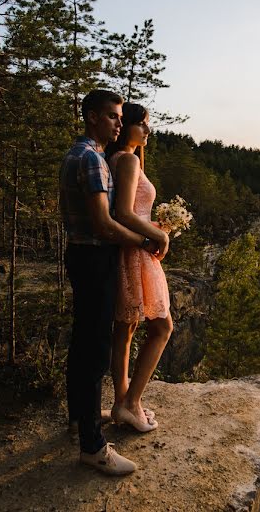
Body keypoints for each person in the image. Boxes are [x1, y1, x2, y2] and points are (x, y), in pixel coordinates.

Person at [59, 89, 169, 475]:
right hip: (93, 257)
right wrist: (148, 239)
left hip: (84, 255)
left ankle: (79, 420)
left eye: (122, 117)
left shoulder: (85, 155)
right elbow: (107, 223)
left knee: (85, 343)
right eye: (111, 116)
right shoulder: (91, 159)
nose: (118, 124)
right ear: (91, 116)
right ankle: (93, 447)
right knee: (95, 351)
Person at [104, 103, 174, 433]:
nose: (147, 131)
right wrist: (158, 233)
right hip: (136, 253)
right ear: (128, 127)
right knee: (161, 328)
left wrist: (158, 224)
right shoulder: (128, 159)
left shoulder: (116, 160)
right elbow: (124, 213)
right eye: (142, 124)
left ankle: (122, 402)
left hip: (129, 249)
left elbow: (131, 212)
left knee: (126, 330)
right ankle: (131, 404)